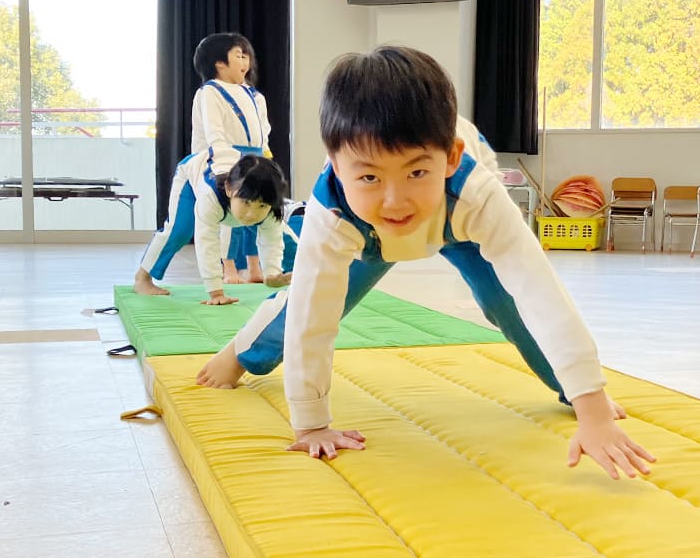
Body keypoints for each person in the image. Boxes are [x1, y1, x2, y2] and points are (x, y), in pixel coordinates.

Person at [196, 46, 656, 480]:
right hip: (367, 234)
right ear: (336, 167)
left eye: (416, 171)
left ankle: (573, 390)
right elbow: (310, 318)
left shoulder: (478, 194)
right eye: (370, 176)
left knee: (510, 304)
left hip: (456, 220)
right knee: (316, 302)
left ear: (451, 158)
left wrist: (593, 410)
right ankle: (240, 352)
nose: (396, 200)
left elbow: (540, 291)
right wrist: (311, 423)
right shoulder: (332, 212)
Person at [134, 151, 291, 304]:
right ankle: (142, 277)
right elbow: (206, 243)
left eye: (262, 205)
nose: (251, 214)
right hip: (190, 175)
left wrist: (272, 273)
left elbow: (272, 241)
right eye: (246, 203)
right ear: (229, 189)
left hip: (229, 171)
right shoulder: (210, 196)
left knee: (264, 223)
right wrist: (216, 292)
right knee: (179, 231)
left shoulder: (270, 207)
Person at [191, 32, 273, 284]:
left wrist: (267, 156)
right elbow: (214, 132)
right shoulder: (209, 92)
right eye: (238, 55)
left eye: (246, 55)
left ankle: (254, 266)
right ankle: (228, 268)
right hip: (224, 158)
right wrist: (223, 166)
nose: (244, 61)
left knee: (257, 210)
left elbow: (264, 129)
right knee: (233, 213)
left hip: (255, 156)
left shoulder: (255, 96)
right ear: (219, 62)